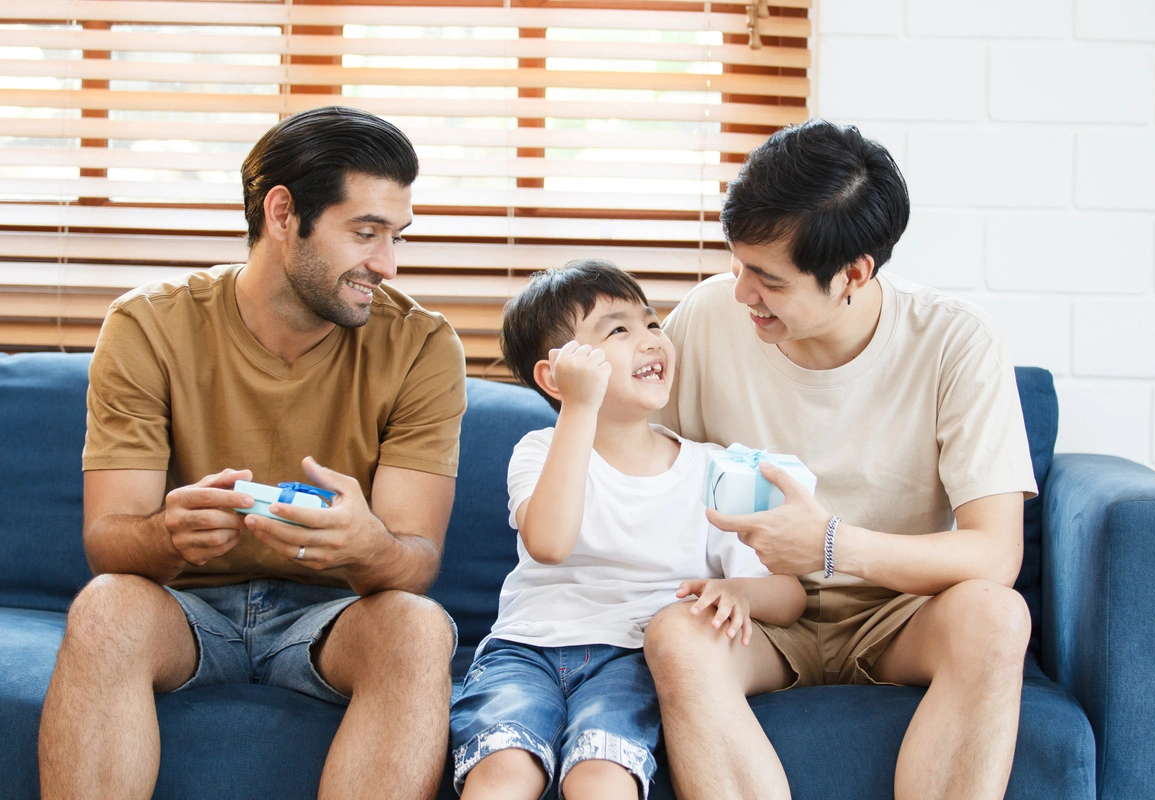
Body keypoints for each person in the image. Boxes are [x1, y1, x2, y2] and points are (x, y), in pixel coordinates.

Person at [37, 106, 467, 800]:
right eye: (365, 233)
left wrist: (366, 546)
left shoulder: (420, 345)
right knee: (106, 606)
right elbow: (109, 544)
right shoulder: (147, 326)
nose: (386, 265)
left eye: (396, 236)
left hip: (333, 618)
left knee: (418, 629)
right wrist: (168, 535)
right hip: (184, 611)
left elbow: (413, 562)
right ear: (281, 213)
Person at [645, 119, 1038, 800]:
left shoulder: (956, 343)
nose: (741, 294)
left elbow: (994, 556)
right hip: (758, 613)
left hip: (901, 617)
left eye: (767, 280)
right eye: (737, 264)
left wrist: (829, 544)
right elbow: (634, 459)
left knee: (997, 617)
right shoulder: (709, 317)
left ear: (853, 273)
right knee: (675, 636)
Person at [449, 260, 807, 800]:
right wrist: (579, 408)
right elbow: (548, 542)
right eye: (619, 330)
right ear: (554, 375)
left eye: (653, 323)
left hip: (631, 660)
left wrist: (739, 591)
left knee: (602, 779)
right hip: (524, 651)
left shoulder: (715, 470)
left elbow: (791, 597)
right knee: (501, 773)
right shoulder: (540, 451)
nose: (649, 341)